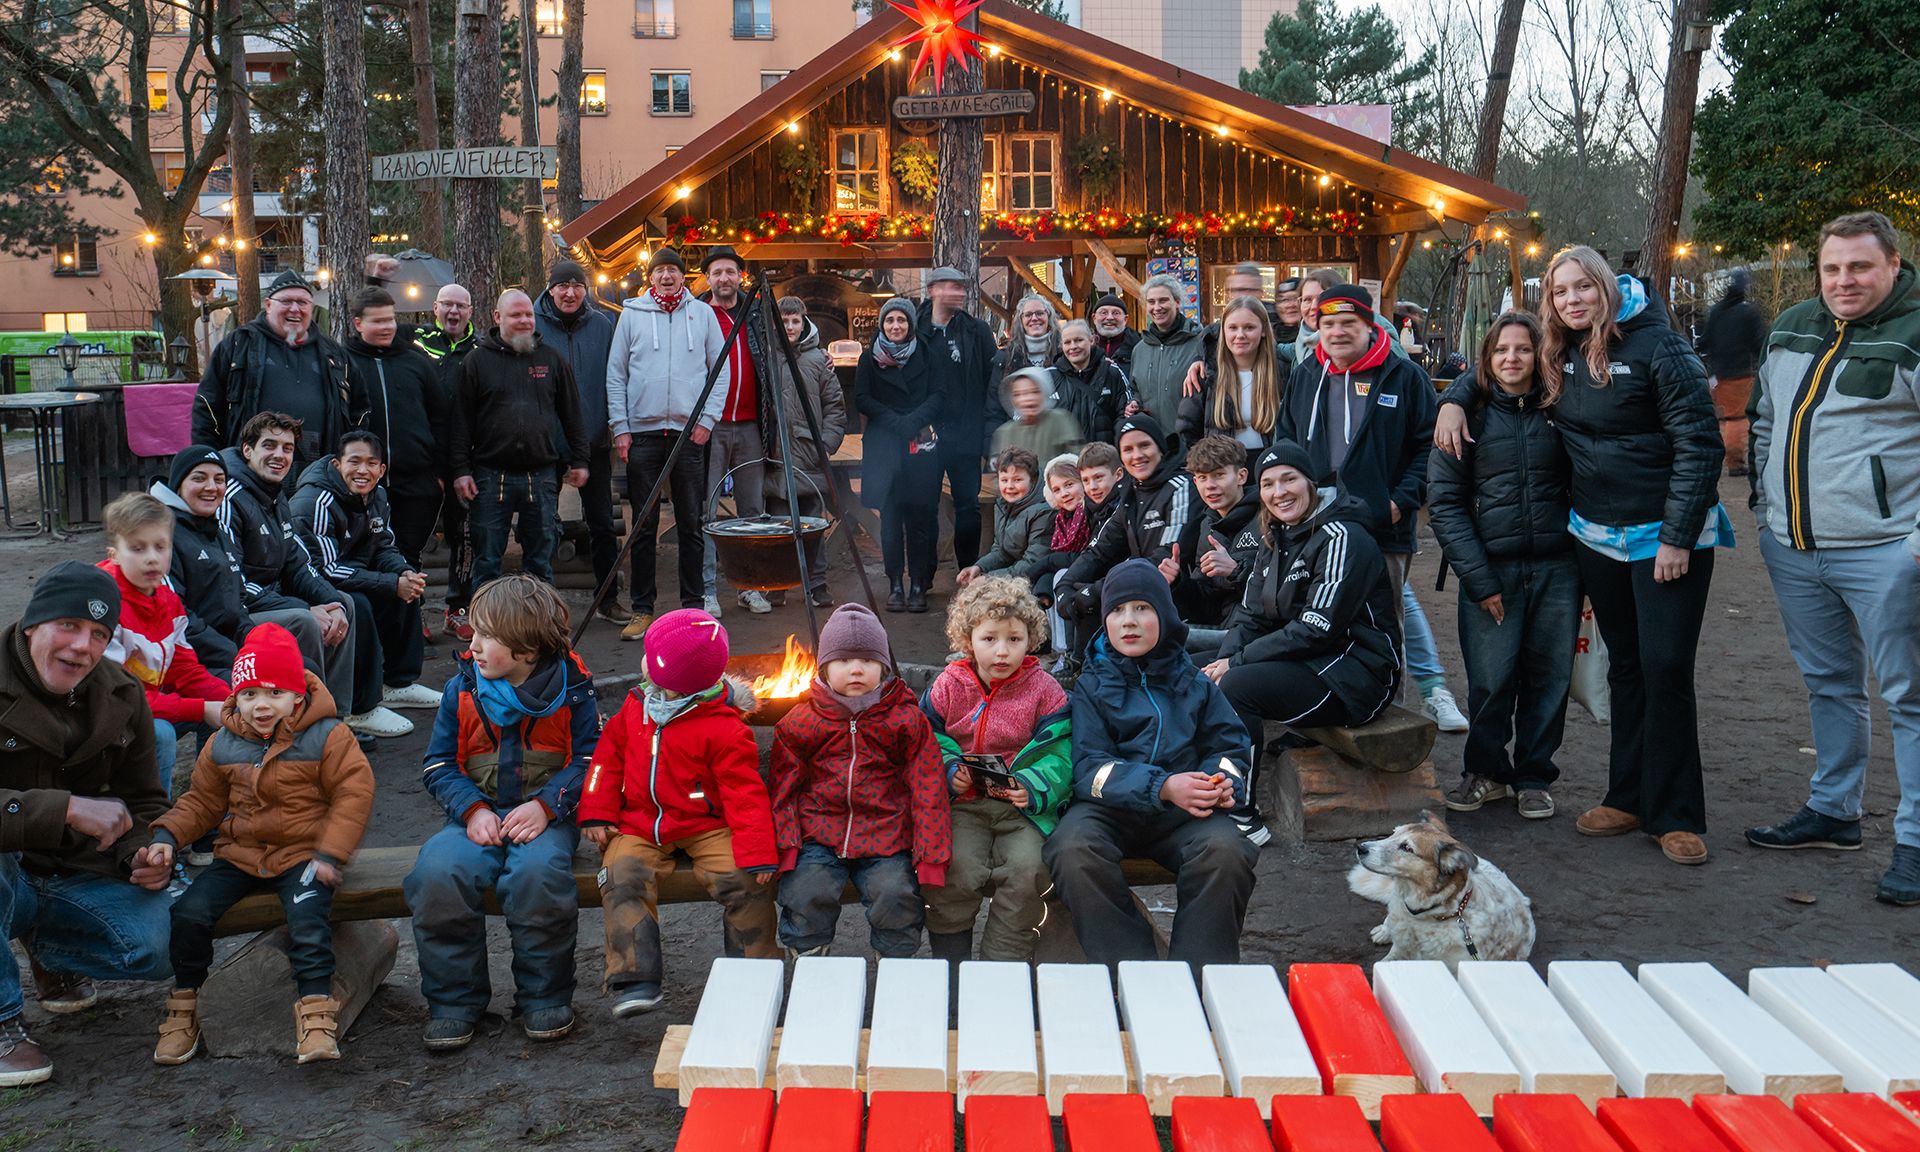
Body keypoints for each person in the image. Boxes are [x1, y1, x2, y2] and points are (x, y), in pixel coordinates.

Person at [1434, 246, 1725, 865]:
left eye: (1583, 288)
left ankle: (1674, 813)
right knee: (1626, 669)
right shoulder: (1558, 352)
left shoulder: (1657, 345)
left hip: (1665, 537)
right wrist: (1455, 396)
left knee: (1666, 667)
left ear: (1606, 287)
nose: (1573, 299)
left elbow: (1699, 444)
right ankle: (1627, 796)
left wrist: (1677, 534)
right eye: (1561, 291)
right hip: (1596, 536)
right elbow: (1495, 365)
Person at [1744, 212, 1920, 903]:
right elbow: (1764, 421)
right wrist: (1766, 511)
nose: (1844, 281)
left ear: (1894, 266)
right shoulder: (1792, 326)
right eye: (1832, 268)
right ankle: (1835, 810)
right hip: (1795, 549)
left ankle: (1914, 841)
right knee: (1830, 684)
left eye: (1860, 267)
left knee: (1911, 697)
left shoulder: (1912, 336)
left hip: (1887, 551)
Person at [147, 624, 375, 1066]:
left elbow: (354, 793)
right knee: (188, 913)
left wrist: (331, 852)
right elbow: (201, 802)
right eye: (249, 694)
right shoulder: (223, 743)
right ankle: (185, 1004)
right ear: (235, 697)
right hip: (242, 854)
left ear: (296, 695)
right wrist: (167, 835)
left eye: (274, 692)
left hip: (305, 853)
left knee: (308, 917)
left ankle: (316, 1014)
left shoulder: (327, 736)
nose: (261, 705)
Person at [404, 575, 599, 1050]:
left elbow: (590, 761)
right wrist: (471, 811)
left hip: (544, 819)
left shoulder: (573, 688)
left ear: (528, 650)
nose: (472, 645)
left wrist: (546, 806)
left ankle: (543, 996)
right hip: (477, 816)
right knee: (436, 874)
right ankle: (454, 1003)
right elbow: (438, 763)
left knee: (538, 878)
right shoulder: (462, 689)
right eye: (474, 633)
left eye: (487, 638)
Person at [0, 562, 173, 1087]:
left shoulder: (119, 693)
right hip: (7, 865)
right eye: (69, 626)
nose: (82, 647)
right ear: (33, 624)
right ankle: (3, 1020)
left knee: (161, 946)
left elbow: (145, 800)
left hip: (71, 872)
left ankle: (47, 951)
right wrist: (67, 807)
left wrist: (144, 852)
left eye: (99, 634)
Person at [1045, 559, 1262, 967]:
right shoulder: (1091, 685)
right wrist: (1162, 785)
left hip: (1183, 816)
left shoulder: (1195, 681)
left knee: (1227, 853)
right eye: (1117, 611)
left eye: (1142, 609)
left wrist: (1219, 781)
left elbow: (1232, 744)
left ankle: (1199, 978)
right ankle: (1132, 968)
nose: (1129, 621)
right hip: (1108, 811)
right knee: (1071, 849)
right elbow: (1089, 770)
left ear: (1164, 616)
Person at [1276, 284, 1465, 732]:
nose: (1338, 332)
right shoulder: (1305, 375)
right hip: (1314, 522)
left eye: (1349, 323)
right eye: (1329, 323)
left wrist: (1401, 503)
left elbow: (1428, 449)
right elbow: (1285, 439)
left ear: (1369, 325)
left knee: (1382, 622)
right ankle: (1323, 713)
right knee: (1315, 616)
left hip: (1382, 524)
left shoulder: (1403, 376)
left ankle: (1390, 717)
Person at [579, 609, 779, 1016]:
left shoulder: (722, 726)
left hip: (708, 825)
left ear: (665, 671)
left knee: (744, 881)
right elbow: (606, 759)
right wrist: (597, 811)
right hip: (641, 822)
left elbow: (745, 793)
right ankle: (636, 978)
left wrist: (758, 849)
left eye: (649, 654)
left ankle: (754, 977)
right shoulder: (637, 707)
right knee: (621, 874)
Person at [1426, 313, 1577, 821]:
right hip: (1492, 567)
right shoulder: (1468, 417)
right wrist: (1479, 578)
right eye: (1501, 350)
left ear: (1541, 355)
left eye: (1524, 349)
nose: (1512, 358)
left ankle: (1534, 774)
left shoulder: (1562, 409)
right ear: (1486, 359)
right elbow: (1444, 503)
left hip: (1558, 566)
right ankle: (1486, 771)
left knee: (1548, 677)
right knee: (1491, 679)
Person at [1206, 443, 1400, 807]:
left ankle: (1240, 808)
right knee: (1196, 665)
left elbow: (1317, 628)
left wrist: (1235, 663)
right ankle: (1199, 782)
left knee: (1236, 684)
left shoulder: (1343, 536)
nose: (1278, 492)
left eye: (1288, 479)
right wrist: (1226, 656)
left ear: (1310, 483)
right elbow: (1251, 615)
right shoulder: (1274, 534)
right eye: (1268, 484)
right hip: (1303, 660)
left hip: (1355, 674)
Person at [770, 605, 950, 958]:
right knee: (806, 889)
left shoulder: (905, 719)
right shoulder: (801, 721)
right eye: (843, 661)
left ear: (883, 667)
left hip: (886, 831)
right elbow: (783, 789)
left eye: (868, 660)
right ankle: (809, 951)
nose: (856, 669)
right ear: (823, 667)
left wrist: (930, 855)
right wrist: (787, 843)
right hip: (818, 831)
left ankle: (895, 957)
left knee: (896, 892)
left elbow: (929, 787)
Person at [921, 577, 1071, 963]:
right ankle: (951, 965)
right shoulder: (949, 686)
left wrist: (1034, 785)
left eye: (1014, 639)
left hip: (1023, 807)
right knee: (953, 865)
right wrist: (949, 767)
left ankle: (1001, 965)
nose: (1002, 652)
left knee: (1030, 869)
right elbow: (925, 738)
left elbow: (1061, 752)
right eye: (989, 639)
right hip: (963, 804)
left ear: (1031, 640)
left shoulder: (1045, 690)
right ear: (968, 639)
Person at [219, 414, 392, 740]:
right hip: (236, 611)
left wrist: (330, 600)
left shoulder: (275, 496)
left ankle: (335, 718)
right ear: (247, 450)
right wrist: (302, 606)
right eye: (269, 446)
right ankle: (308, 725)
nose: (279, 455)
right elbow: (233, 583)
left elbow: (300, 565)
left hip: (269, 599)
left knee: (344, 604)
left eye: (287, 448)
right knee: (305, 619)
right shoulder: (231, 497)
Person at [607, 248, 728, 638]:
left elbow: (719, 370)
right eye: (659, 271)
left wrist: (707, 419)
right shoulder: (633, 316)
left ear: (682, 277)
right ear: (650, 277)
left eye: (673, 271)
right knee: (643, 524)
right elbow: (616, 375)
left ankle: (693, 608)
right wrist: (620, 427)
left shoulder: (703, 314)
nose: (666, 277)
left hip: (688, 433)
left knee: (691, 522)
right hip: (642, 434)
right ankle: (643, 609)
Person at [449, 289, 592, 589]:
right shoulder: (477, 362)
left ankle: (538, 630)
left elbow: (572, 415)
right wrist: (460, 470)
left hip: (541, 476)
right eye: (516, 315)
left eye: (529, 314)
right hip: (489, 477)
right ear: (498, 317)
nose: (525, 320)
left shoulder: (551, 360)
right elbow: (460, 422)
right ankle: (486, 631)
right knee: (487, 561)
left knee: (540, 562)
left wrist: (580, 459)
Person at [292, 431, 439, 714]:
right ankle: (360, 707)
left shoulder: (378, 495)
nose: (363, 471)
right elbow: (324, 569)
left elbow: (384, 545)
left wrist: (404, 573)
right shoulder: (316, 500)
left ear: (381, 470)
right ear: (337, 465)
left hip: (353, 574)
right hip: (315, 586)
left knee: (406, 590)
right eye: (354, 462)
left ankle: (398, 684)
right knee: (358, 604)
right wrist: (389, 583)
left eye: (372, 464)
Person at [97, 493, 229, 797]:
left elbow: (185, 669)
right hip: (102, 715)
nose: (152, 558)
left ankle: (206, 809)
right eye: (137, 548)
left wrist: (233, 702)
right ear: (114, 554)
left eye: (161, 546)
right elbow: (118, 698)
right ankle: (152, 826)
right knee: (161, 734)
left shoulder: (168, 601)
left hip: (147, 703)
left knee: (226, 707)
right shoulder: (105, 605)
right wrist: (200, 708)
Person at [1054, 415, 1203, 645]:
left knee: (1097, 594)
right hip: (1139, 596)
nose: (1137, 455)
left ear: (1160, 448)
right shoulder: (1130, 493)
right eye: (1128, 449)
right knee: (1080, 588)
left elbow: (1165, 558)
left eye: (1144, 445)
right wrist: (1066, 585)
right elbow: (1100, 550)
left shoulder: (1181, 486)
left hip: (1180, 599)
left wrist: (1094, 591)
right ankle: (1080, 666)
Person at [534, 260, 625, 623]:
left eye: (576, 285)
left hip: (593, 441)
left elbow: (615, 377)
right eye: (562, 286)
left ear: (585, 290)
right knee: (540, 526)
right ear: (550, 289)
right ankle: (541, 606)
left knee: (602, 524)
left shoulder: (602, 325)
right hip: (545, 444)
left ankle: (608, 598)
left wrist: (613, 426)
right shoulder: (533, 325)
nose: (569, 292)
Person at [193, 271, 355, 472]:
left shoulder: (334, 354)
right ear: (268, 305)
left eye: (302, 302)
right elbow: (207, 407)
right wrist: (210, 462)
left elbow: (359, 410)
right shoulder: (238, 346)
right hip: (250, 472)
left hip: (319, 471)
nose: (295, 309)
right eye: (286, 301)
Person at [697, 246, 776, 617]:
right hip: (709, 426)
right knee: (708, 512)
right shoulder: (696, 314)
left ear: (740, 277)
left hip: (749, 424)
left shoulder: (754, 312)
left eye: (730, 272)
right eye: (717, 273)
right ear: (708, 279)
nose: (724, 278)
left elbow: (783, 343)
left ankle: (750, 586)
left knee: (751, 512)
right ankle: (707, 589)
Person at [342, 287, 445, 568]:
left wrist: (439, 471)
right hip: (361, 486)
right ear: (358, 323)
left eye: (390, 319)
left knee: (408, 557)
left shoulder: (416, 361)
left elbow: (440, 418)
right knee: (366, 558)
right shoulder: (343, 363)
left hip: (416, 484)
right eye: (378, 321)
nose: (387, 327)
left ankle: (410, 610)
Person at [856, 297, 944, 614]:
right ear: (883, 324)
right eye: (890, 320)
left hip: (919, 443)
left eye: (901, 321)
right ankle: (895, 582)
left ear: (910, 324)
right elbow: (862, 398)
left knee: (921, 519)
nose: (896, 326)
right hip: (884, 444)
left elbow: (938, 395)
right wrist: (897, 422)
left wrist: (913, 422)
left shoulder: (927, 355)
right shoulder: (870, 359)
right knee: (890, 521)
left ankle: (919, 582)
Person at [767, 295, 848, 610]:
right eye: (784, 321)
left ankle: (817, 584)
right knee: (777, 525)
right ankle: (779, 584)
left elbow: (835, 407)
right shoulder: (767, 358)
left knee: (813, 523)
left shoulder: (817, 360)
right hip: (775, 454)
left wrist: (825, 444)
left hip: (809, 453)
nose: (789, 326)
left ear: (804, 323)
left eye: (795, 321)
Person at [921, 267, 1001, 570]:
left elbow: (991, 380)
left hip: (966, 434)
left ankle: (968, 571)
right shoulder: (916, 328)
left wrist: (986, 434)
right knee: (925, 507)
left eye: (961, 287)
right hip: (925, 435)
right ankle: (923, 577)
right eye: (951, 286)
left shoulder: (976, 330)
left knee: (968, 507)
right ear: (932, 290)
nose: (959, 292)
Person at [414, 284, 480, 642]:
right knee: (416, 537)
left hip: (464, 460)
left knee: (464, 537)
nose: (453, 312)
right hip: (422, 458)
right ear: (435, 308)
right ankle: (414, 612)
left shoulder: (481, 348)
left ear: (471, 311)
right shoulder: (417, 342)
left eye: (461, 306)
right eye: (447, 305)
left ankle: (457, 609)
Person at [1174, 434, 1263, 658]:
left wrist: (1236, 570)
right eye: (1202, 478)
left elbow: (1279, 588)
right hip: (1220, 630)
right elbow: (1204, 605)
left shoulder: (1268, 516)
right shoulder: (1207, 525)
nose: (1210, 486)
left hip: (1256, 634)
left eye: (1219, 475)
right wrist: (1178, 583)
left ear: (1242, 476)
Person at [1179, 295, 1284, 457]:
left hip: (1269, 468)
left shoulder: (1280, 371)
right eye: (1233, 328)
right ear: (1223, 331)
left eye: (1249, 327)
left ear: (1263, 330)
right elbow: (1187, 430)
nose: (1240, 335)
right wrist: (1205, 468)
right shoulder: (1204, 374)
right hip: (1221, 470)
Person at [1698, 269, 1769, 477]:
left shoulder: (1716, 311)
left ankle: (1727, 459)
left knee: (1725, 419)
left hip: (1717, 373)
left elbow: (1704, 340)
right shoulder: (1748, 313)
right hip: (1740, 372)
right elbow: (1759, 343)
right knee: (1737, 419)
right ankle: (1736, 463)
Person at [958, 447, 1054, 587]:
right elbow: (1001, 551)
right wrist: (979, 567)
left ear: (1032, 480)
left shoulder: (1044, 512)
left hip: (1039, 581)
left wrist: (990, 579)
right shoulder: (1002, 505)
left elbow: (1033, 563)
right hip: (1015, 575)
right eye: (1004, 480)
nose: (1009, 486)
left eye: (1017, 479)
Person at [1129, 274, 1205, 428]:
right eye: (1151, 302)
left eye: (1163, 300)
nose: (1157, 307)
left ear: (1177, 302)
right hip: (1153, 443)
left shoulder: (1199, 344)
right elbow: (1136, 389)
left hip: (1190, 442)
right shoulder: (1140, 350)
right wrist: (1134, 403)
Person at [1049, 320, 1127, 446]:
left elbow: (1124, 414)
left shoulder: (1112, 372)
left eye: (1079, 340)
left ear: (1091, 340)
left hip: (1103, 457)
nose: (1073, 346)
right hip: (1064, 460)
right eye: (1067, 342)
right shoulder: (1051, 377)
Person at [990, 368, 1083, 466]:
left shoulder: (1061, 420)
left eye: (1035, 391)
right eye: (1019, 394)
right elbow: (999, 473)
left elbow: (1076, 462)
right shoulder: (1005, 433)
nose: (1028, 399)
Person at [1077, 441, 1124, 538]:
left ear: (1118, 475)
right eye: (1085, 480)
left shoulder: (1124, 507)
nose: (1092, 487)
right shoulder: (1089, 510)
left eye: (1098, 477)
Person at [1091, 293, 1140, 372]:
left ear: (1125, 319)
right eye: (1104, 313)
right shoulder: (1084, 346)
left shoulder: (1139, 346)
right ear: (1094, 318)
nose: (1110, 317)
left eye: (1116, 313)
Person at [1273, 276, 1303, 346]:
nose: (1289, 305)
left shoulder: (1319, 337)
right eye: (1284, 300)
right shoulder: (1267, 337)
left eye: (1295, 298)